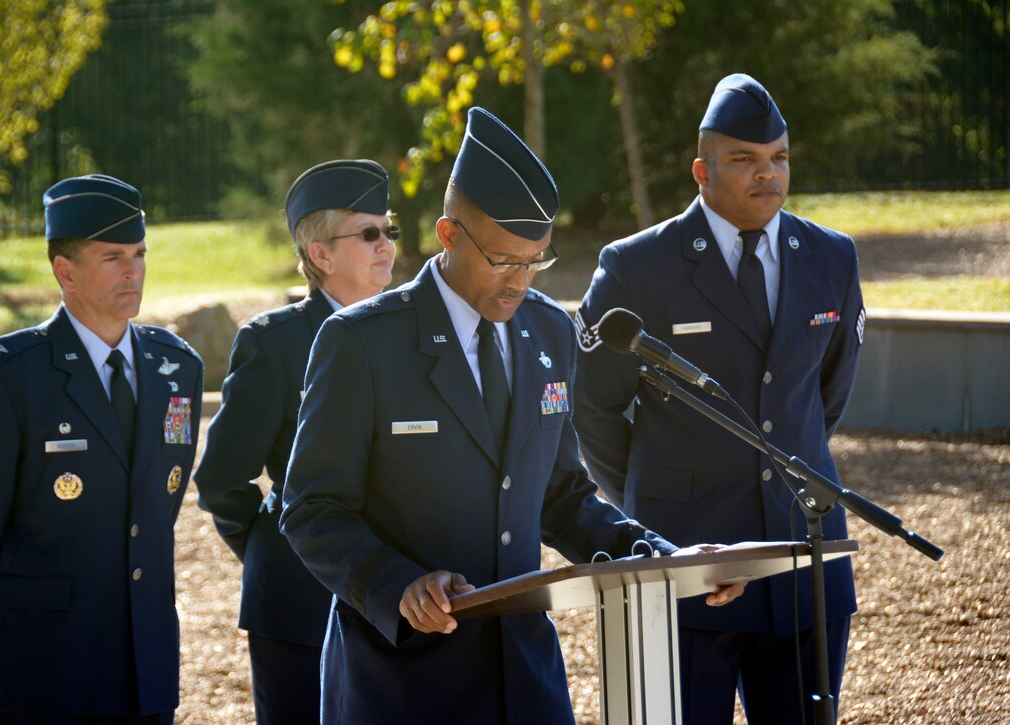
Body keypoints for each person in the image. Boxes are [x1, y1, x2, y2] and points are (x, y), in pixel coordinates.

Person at [280, 106, 745, 724]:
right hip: (402, 681)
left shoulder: (550, 330)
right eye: (503, 259)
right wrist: (397, 584)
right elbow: (312, 508)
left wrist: (661, 556)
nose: (519, 281)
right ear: (448, 235)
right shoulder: (362, 343)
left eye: (536, 260)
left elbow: (560, 491)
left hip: (524, 680)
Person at [573, 73, 865, 724]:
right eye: (745, 160)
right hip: (676, 565)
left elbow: (824, 396)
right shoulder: (635, 266)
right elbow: (592, 411)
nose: (768, 174)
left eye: (779, 159)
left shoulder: (832, 257)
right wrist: (649, 512)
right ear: (702, 171)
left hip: (802, 563)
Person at [0, 174, 204, 723]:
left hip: (146, 662)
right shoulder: (6, 377)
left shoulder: (177, 367)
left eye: (139, 253)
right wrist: (16, 628)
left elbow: (156, 507)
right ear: (65, 271)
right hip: (47, 665)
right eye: (112, 257)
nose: (133, 271)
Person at [193, 159, 397, 724]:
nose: (386, 245)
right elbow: (221, 479)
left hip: (397, 590)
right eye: (368, 233)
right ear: (320, 256)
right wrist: (277, 548)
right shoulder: (275, 345)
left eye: (390, 230)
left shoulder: (409, 332)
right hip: (300, 605)